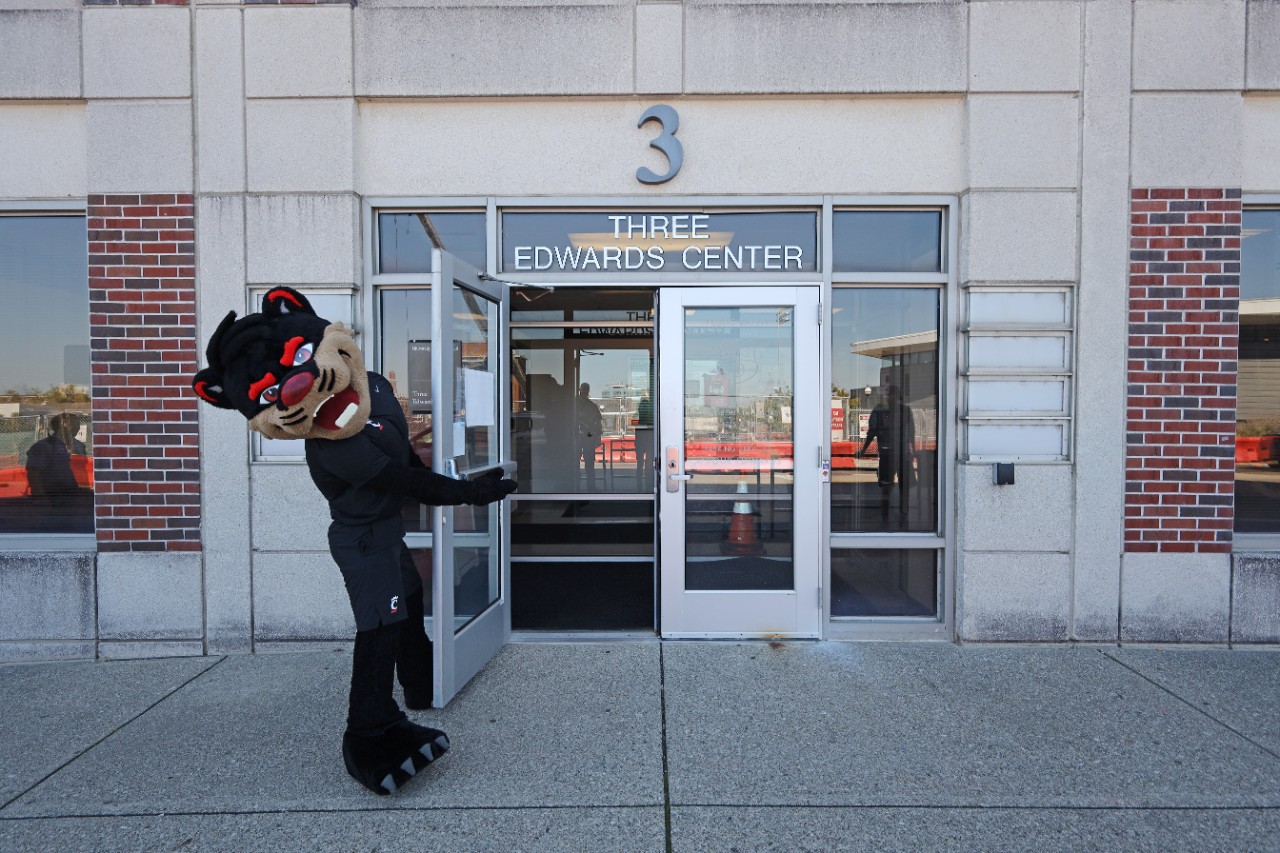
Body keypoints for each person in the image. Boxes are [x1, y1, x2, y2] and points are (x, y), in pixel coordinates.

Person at [192, 286, 516, 796]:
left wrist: (454, 469)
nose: (297, 385)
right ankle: (368, 736)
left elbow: (404, 457)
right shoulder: (330, 447)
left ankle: (420, 682)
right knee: (378, 631)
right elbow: (404, 482)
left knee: (409, 601)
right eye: (273, 394)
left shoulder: (374, 388)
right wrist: (474, 491)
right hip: (362, 542)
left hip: (387, 532)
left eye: (299, 359)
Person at [857, 384, 915, 525]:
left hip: (899, 454)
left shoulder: (903, 410)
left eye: (891, 394)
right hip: (888, 453)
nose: (889, 397)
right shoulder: (881, 410)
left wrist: (913, 450)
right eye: (888, 394)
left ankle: (901, 515)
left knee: (903, 488)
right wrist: (864, 449)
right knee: (887, 488)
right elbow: (872, 432)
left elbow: (911, 431)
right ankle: (886, 518)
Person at [26, 413, 85, 497]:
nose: (78, 427)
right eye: (75, 424)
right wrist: (40, 497)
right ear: (64, 424)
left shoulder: (79, 446)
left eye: (78, 424)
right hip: (52, 496)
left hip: (72, 495)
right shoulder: (44, 446)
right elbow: (33, 473)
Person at [576, 382, 603, 485]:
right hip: (577, 436)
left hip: (589, 436)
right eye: (583, 389)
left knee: (589, 464)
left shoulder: (592, 406)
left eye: (586, 389)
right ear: (580, 390)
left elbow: (598, 422)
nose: (585, 391)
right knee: (575, 464)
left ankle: (591, 487)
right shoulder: (574, 404)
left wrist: (598, 437)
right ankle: (576, 488)